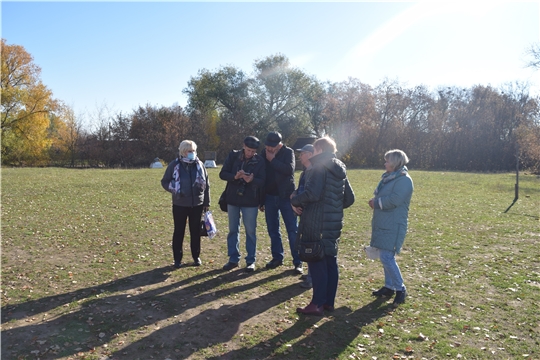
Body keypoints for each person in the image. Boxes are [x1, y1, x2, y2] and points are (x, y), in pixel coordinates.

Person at [291, 137, 355, 315]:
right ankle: (328, 302)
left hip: (316, 223)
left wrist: (293, 200)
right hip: (333, 223)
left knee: (317, 262)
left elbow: (312, 193)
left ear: (318, 149)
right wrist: (332, 207)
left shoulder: (318, 166)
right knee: (329, 261)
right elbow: (349, 199)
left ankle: (317, 303)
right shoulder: (340, 169)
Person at [368, 149, 413, 306]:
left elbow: (395, 199)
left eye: (387, 160)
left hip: (394, 224)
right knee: (384, 255)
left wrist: (377, 203)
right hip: (384, 222)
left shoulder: (404, 180)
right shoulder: (389, 178)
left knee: (387, 257)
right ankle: (389, 287)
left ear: (395, 162)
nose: (385, 163)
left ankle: (400, 289)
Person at [161, 140, 210, 269]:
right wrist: (175, 189)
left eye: (194, 151)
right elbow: (165, 181)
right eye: (190, 151)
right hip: (180, 204)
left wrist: (206, 202)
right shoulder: (174, 165)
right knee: (179, 231)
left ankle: (196, 256)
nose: (192, 153)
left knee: (195, 232)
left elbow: (207, 185)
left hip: (197, 204)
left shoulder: (200, 165)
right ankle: (177, 259)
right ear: (183, 152)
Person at [220, 136, 266, 272]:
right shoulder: (233, 156)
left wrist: (252, 179)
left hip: (250, 200)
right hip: (233, 198)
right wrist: (235, 177)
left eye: (253, 151)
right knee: (233, 230)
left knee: (251, 231)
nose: (250, 153)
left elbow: (263, 180)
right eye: (248, 150)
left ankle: (251, 260)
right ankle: (233, 258)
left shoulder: (260, 161)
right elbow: (222, 174)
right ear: (243, 146)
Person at [260, 131, 302, 274]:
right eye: (267, 146)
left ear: (279, 145)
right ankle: (277, 257)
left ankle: (298, 261)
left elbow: (289, 170)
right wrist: (261, 199)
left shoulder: (288, 152)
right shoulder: (263, 153)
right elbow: (261, 173)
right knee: (273, 230)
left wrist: (272, 160)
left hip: (286, 197)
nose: (269, 149)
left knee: (292, 230)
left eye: (272, 146)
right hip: (269, 197)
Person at [291, 144, 315, 289]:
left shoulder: (314, 171)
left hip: (311, 214)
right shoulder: (305, 171)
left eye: (303, 153)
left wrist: (296, 201)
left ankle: (313, 277)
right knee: (306, 244)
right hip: (303, 213)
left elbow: (310, 193)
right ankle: (310, 273)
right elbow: (299, 190)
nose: (300, 156)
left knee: (312, 245)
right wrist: (294, 198)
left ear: (311, 155)